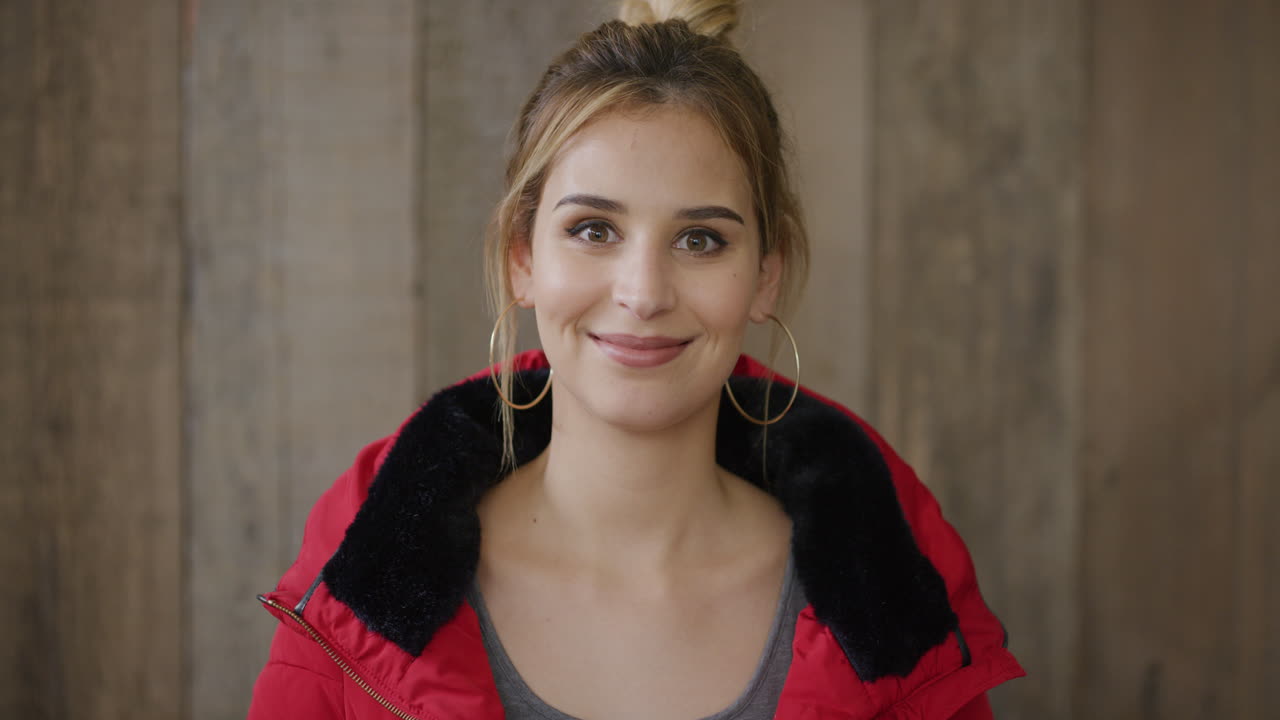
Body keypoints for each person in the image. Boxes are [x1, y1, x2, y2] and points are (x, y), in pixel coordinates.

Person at [247, 1, 1024, 718]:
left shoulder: (900, 618)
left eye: (700, 239)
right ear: (523, 256)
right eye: (593, 229)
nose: (643, 292)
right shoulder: (350, 610)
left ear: (766, 273)